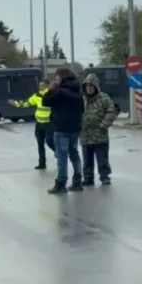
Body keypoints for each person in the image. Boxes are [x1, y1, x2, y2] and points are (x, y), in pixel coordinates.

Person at [42, 67, 85, 195]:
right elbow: (82, 109)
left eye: (56, 78)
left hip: (61, 127)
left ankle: (61, 183)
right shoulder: (78, 92)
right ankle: (77, 181)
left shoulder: (60, 92)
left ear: (60, 78)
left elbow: (45, 101)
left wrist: (50, 90)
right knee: (74, 152)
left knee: (61, 155)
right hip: (75, 127)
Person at [9, 80, 55, 170]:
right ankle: (42, 163)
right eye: (40, 85)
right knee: (40, 144)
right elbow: (27, 103)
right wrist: (16, 104)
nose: (41, 87)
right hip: (39, 123)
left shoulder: (52, 94)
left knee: (50, 141)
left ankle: (57, 152)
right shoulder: (37, 96)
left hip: (49, 123)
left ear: (48, 85)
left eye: (43, 85)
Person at [80, 74, 117, 186]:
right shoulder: (82, 99)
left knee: (102, 159)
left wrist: (104, 125)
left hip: (100, 135)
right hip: (85, 135)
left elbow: (111, 112)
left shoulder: (104, 98)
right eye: (87, 86)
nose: (89, 88)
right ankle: (88, 178)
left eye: (91, 85)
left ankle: (104, 177)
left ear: (96, 86)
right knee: (87, 160)